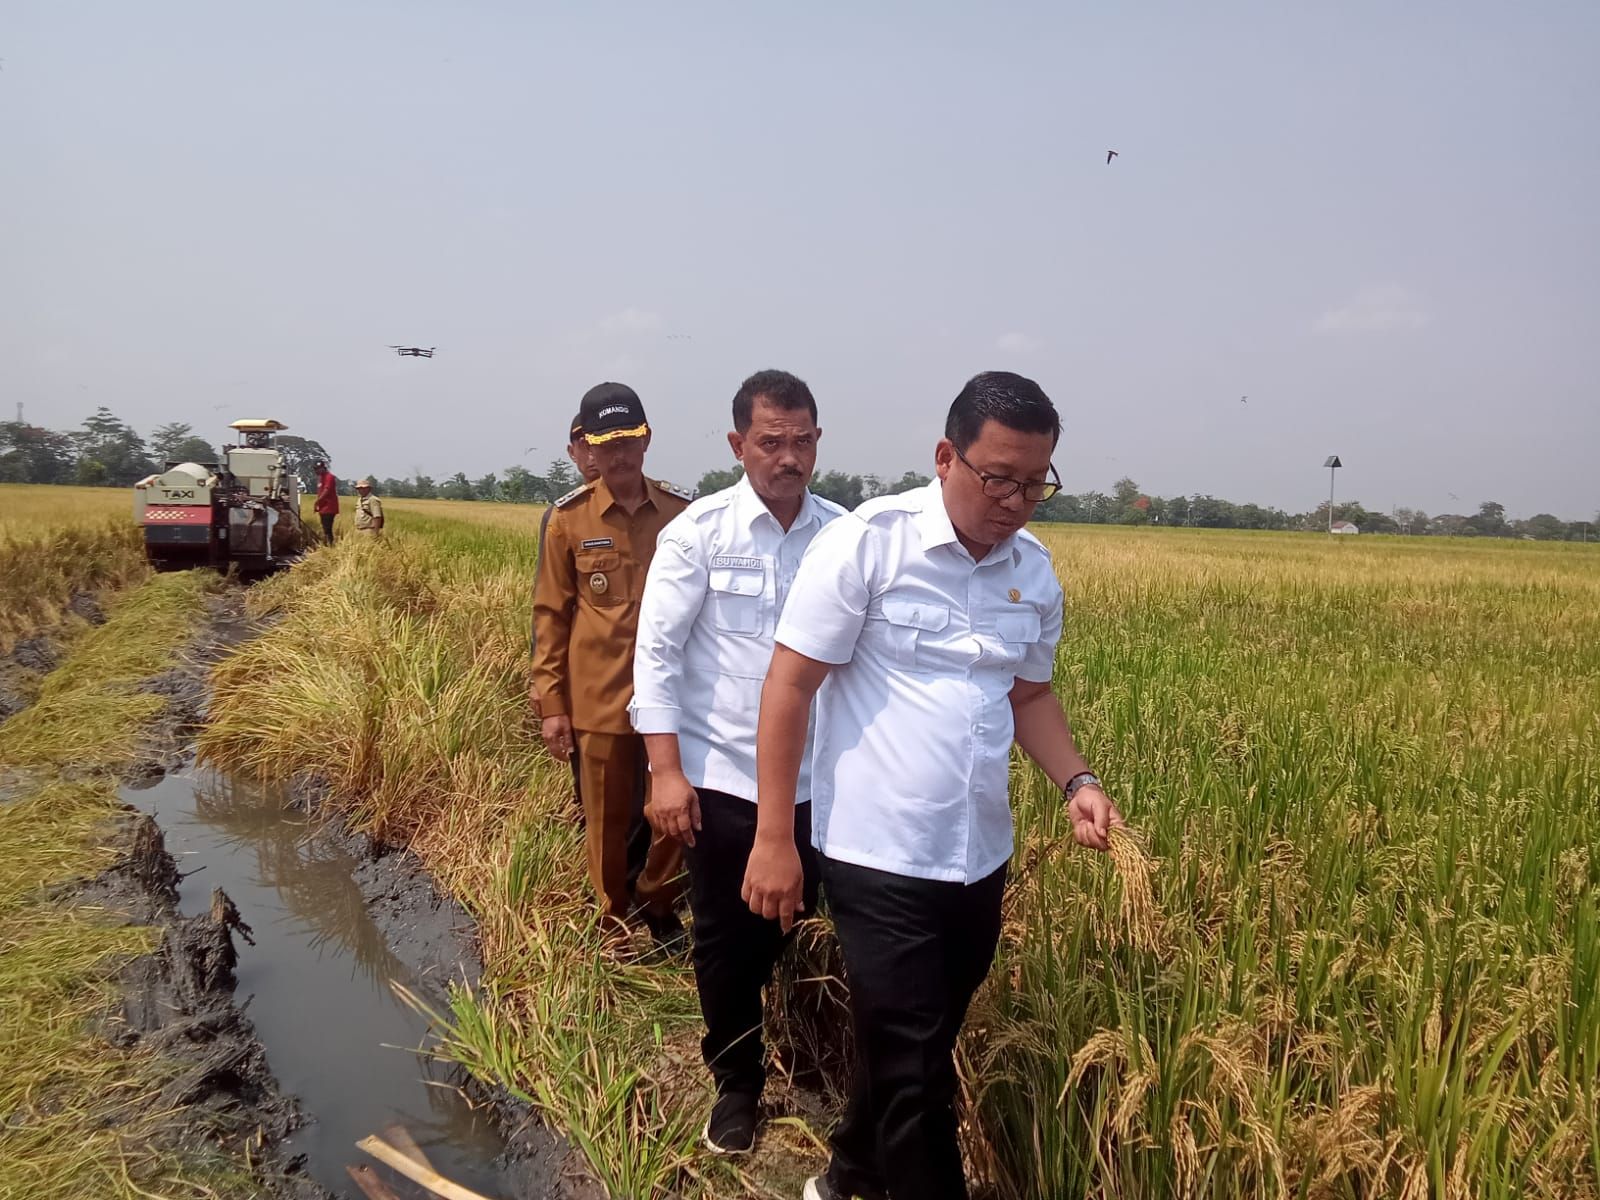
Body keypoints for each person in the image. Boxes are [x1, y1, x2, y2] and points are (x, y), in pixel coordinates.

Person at [741, 372, 1127, 1200]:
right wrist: (776, 835)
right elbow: (788, 686)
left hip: (978, 858)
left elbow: (1030, 696)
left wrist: (1077, 781)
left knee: (912, 1043)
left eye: (1035, 482)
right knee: (919, 1075)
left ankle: (844, 1179)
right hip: (879, 857)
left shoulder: (1033, 572)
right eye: (999, 478)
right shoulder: (869, 545)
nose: (1017, 500)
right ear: (947, 457)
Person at [631, 369, 846, 1155]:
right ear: (738, 445)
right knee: (725, 940)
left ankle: (818, 1048)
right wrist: (665, 771)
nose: (788, 458)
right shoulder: (699, 533)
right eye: (771, 442)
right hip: (721, 776)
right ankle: (736, 1082)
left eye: (802, 441)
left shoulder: (843, 535)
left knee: (806, 921)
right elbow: (655, 654)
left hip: (823, 780)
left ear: (819, 442)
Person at [530, 383, 691, 943]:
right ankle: (612, 918)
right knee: (603, 820)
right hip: (597, 698)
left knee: (673, 814)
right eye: (607, 442)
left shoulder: (681, 516)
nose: (620, 453)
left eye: (630, 439)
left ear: (646, 439)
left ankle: (656, 897)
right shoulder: (567, 521)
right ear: (589, 448)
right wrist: (552, 705)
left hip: (669, 701)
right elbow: (550, 614)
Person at [532, 413, 604, 818]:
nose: (593, 455)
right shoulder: (561, 518)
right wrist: (541, 679)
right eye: (584, 445)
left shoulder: (667, 511)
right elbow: (547, 607)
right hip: (582, 666)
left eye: (601, 444)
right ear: (572, 452)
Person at [313, 460, 339, 544]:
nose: (316, 471)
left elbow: (326, 490)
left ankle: (330, 546)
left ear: (323, 468)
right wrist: (318, 505)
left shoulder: (329, 477)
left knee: (327, 528)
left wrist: (317, 502)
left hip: (329, 507)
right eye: (315, 469)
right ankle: (327, 544)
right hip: (323, 507)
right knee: (325, 527)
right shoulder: (321, 478)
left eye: (318, 469)